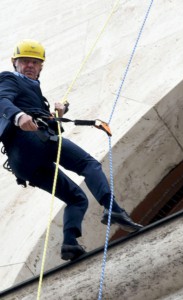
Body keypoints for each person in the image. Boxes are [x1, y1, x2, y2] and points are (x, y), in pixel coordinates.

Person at [0, 39, 143, 261]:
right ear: (15, 63)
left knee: (76, 199)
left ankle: (69, 245)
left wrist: (56, 114)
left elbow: (48, 125)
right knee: (88, 164)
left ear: (41, 67)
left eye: (35, 62)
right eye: (25, 61)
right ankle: (113, 208)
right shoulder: (9, 78)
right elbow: (2, 99)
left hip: (24, 162)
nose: (30, 65)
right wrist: (19, 117)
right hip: (32, 141)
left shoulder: (34, 92)